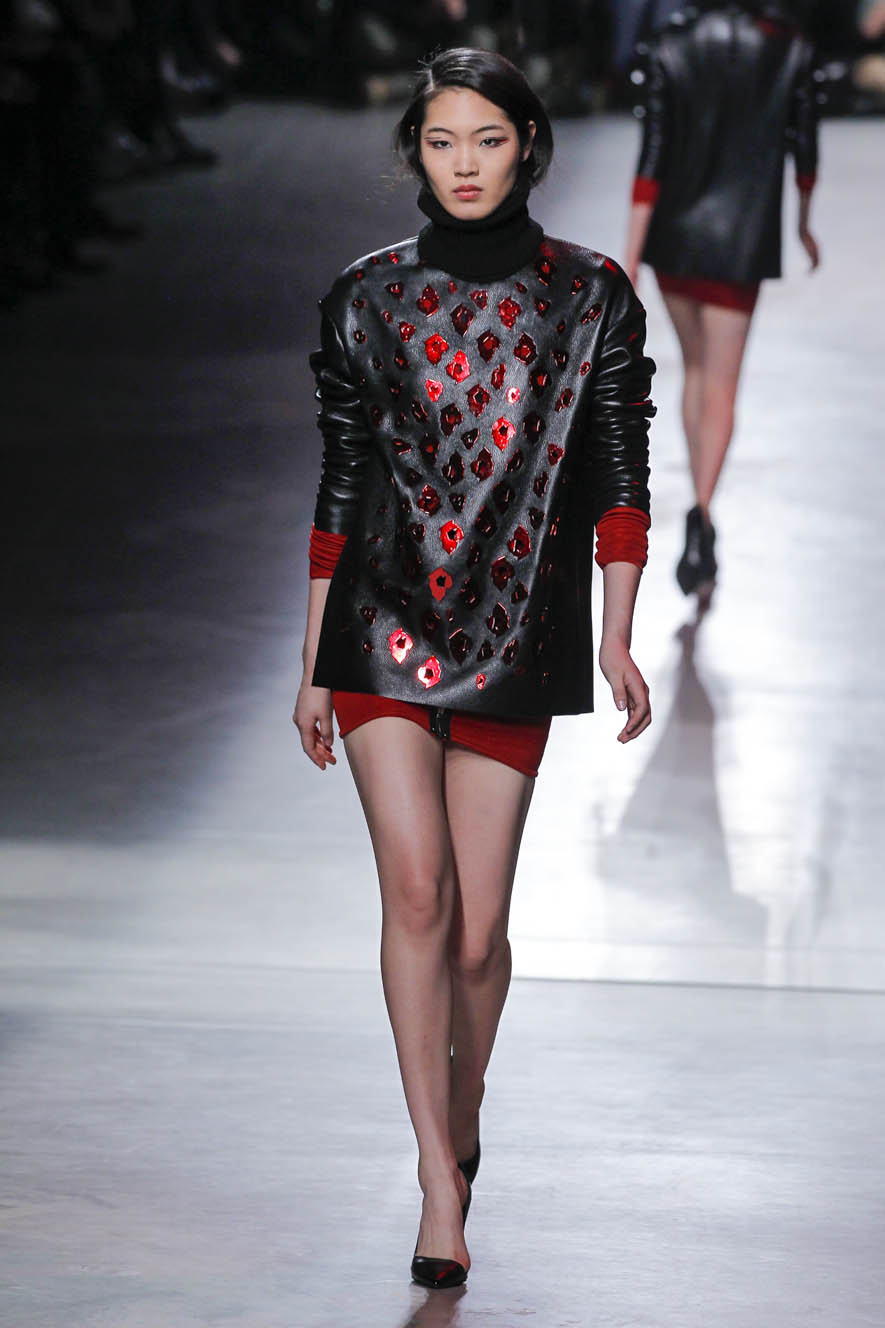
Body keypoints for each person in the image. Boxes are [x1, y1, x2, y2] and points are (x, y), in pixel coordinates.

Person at [293, 47, 655, 1290]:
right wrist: (312, 658)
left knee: (480, 931)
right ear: (416, 148)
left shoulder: (591, 296)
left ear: (527, 147)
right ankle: (439, 1180)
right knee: (416, 896)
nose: (463, 164)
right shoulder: (366, 296)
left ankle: (467, 1094)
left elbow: (618, 472)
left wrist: (616, 630)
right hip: (379, 623)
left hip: (516, 627)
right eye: (442, 140)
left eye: (488, 140)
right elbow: (342, 482)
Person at [625, 2, 820, 595]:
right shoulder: (789, 45)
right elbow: (805, 146)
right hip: (742, 241)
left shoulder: (670, 43)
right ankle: (703, 514)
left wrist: (630, 256)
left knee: (696, 372)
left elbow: (653, 153)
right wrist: (804, 222)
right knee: (722, 385)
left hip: (673, 240)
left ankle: (700, 505)